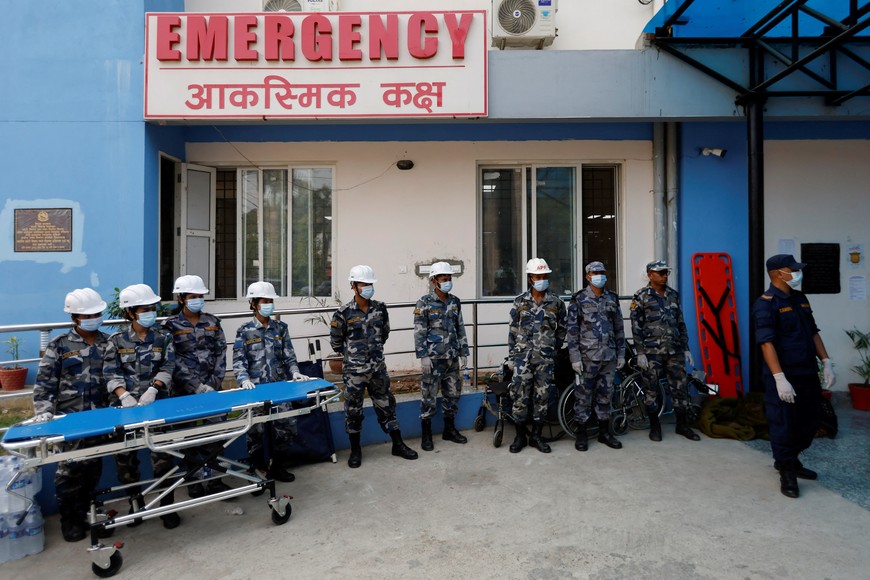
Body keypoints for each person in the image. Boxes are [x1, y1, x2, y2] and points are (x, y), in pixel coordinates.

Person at [32, 288, 116, 542]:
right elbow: (45, 384)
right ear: (75, 317)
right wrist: (44, 412)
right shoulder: (59, 345)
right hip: (68, 420)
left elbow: (115, 378)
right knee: (68, 471)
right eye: (88, 314)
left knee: (93, 466)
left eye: (97, 313)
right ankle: (70, 519)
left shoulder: (107, 342)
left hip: (100, 418)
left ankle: (90, 511)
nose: (94, 317)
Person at [751, 254, 835, 498]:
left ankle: (791, 458)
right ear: (778, 273)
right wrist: (779, 378)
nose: (798, 273)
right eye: (793, 269)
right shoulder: (765, 304)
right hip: (784, 376)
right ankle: (786, 469)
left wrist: (827, 362)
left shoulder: (800, 298)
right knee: (784, 423)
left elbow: (813, 332)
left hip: (807, 371)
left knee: (811, 418)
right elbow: (766, 344)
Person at [106, 284, 180, 529]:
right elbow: (109, 372)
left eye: (152, 308)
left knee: (163, 458)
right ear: (130, 313)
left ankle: (166, 506)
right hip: (125, 409)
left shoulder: (163, 337)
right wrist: (123, 394)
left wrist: (155, 388)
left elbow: (168, 367)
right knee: (126, 462)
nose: (150, 313)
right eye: (144, 309)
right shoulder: (116, 341)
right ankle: (135, 505)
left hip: (156, 405)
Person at [329, 265, 418, 468]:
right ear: (353, 286)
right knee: (353, 410)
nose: (367, 287)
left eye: (370, 284)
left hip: (377, 368)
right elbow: (336, 343)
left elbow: (384, 333)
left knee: (387, 406)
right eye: (363, 284)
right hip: (354, 373)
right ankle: (355, 450)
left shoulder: (380, 308)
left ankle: (397, 444)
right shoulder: (342, 313)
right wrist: (356, 357)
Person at [162, 274, 232, 498]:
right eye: (192, 297)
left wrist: (214, 382)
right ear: (181, 298)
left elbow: (221, 352)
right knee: (189, 437)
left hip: (212, 390)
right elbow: (171, 359)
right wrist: (195, 386)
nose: (197, 300)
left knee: (217, 434)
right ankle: (193, 481)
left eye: (200, 296)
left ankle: (215, 479)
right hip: (184, 392)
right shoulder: (170, 326)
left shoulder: (212, 321)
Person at [233, 281, 309, 483]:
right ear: (254, 303)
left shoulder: (280, 328)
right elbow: (238, 361)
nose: (269, 304)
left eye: (270, 301)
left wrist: (295, 373)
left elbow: (289, 357)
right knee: (254, 431)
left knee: (287, 425)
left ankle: (277, 467)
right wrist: (243, 379)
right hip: (254, 389)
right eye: (264, 301)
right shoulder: (244, 331)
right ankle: (257, 470)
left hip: (279, 387)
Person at [630, 260, 700, 442]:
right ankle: (655, 427)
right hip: (651, 352)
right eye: (660, 273)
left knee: (680, 387)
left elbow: (680, 323)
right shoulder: (641, 296)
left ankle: (682, 425)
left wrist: (686, 348)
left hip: (674, 350)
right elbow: (636, 326)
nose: (664, 276)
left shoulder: (673, 295)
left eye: (666, 273)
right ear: (650, 274)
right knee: (651, 389)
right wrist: (640, 352)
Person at [507, 258, 567, 454]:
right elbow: (513, 330)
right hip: (522, 358)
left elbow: (562, 328)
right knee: (520, 397)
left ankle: (537, 436)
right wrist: (512, 357)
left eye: (544, 276)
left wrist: (554, 348)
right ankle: (519, 436)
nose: (542, 279)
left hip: (545, 359)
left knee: (542, 397)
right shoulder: (520, 301)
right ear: (530, 278)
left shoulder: (556, 302)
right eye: (538, 276)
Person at [567, 261, 625, 452]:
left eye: (602, 272)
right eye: (595, 272)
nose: (599, 275)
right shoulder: (579, 299)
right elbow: (572, 331)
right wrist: (574, 357)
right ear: (588, 277)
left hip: (608, 357)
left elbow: (619, 328)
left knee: (605, 395)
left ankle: (604, 433)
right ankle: (581, 434)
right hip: (586, 358)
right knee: (583, 397)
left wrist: (621, 354)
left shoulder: (612, 298)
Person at [414, 261, 470, 451]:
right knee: (428, 396)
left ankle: (449, 429)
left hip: (452, 358)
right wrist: (423, 356)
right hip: (433, 360)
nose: (448, 282)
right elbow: (420, 331)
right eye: (444, 279)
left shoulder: (455, 301)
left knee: (452, 394)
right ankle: (426, 434)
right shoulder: (424, 303)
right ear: (434, 281)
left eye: (449, 279)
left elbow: (460, 327)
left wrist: (464, 352)